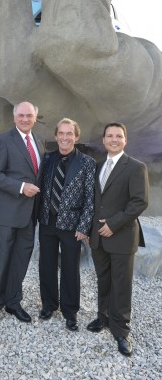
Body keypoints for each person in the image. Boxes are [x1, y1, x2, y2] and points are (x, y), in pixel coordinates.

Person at [87, 122, 149, 357]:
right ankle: (102, 317)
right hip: (98, 237)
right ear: (103, 140)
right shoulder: (98, 166)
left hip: (121, 235)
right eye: (110, 136)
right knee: (103, 279)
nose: (114, 139)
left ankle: (121, 330)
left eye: (118, 136)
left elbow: (139, 202)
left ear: (125, 140)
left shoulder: (136, 167)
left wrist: (112, 224)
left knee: (121, 284)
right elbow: (95, 201)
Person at [0, 102, 43, 330]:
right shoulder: (4, 140)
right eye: (21, 115)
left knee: (20, 262)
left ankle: (13, 302)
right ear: (14, 117)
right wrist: (20, 187)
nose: (25, 119)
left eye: (29, 115)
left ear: (35, 118)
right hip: (7, 214)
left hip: (30, 216)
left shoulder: (38, 142)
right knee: (1, 262)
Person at [38, 118, 96, 331]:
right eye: (61, 133)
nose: (64, 137)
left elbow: (90, 198)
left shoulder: (87, 163)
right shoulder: (48, 159)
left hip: (72, 226)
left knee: (71, 269)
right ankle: (49, 304)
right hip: (47, 222)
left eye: (69, 133)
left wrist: (84, 226)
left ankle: (70, 311)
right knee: (46, 265)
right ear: (56, 136)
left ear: (76, 136)